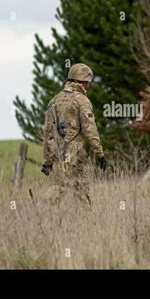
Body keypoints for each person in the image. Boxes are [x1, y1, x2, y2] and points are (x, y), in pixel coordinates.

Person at [41, 63, 107, 206]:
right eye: (88, 83)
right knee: (80, 188)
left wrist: (47, 161)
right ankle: (86, 218)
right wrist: (100, 155)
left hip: (59, 154)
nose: (89, 86)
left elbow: (47, 133)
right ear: (82, 82)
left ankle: (44, 211)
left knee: (62, 184)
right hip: (73, 155)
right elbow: (91, 130)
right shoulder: (81, 100)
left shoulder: (54, 100)